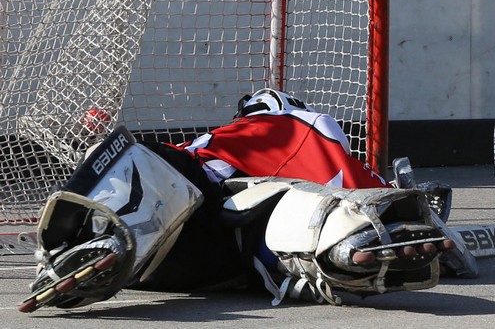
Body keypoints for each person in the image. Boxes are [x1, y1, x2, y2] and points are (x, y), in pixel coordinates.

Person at [21, 89, 468, 313]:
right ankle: (338, 257)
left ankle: (77, 248)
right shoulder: (315, 129)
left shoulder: (240, 132)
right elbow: (371, 191)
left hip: (177, 218)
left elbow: (179, 162)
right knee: (297, 227)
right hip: (216, 265)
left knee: (140, 160)